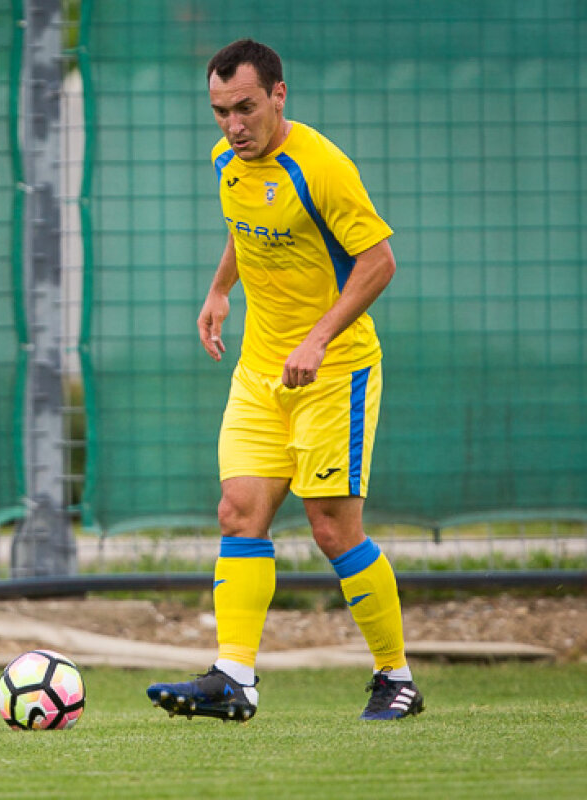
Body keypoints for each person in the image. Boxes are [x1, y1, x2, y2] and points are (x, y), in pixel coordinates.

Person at [146, 40, 423, 722]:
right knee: (238, 509)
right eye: (219, 112)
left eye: (245, 108)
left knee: (331, 529)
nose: (233, 126)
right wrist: (218, 292)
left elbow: (378, 261)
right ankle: (234, 676)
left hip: (335, 373)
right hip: (259, 371)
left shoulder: (321, 166)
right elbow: (249, 229)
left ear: (278, 95)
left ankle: (398, 678)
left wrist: (319, 337)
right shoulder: (227, 163)